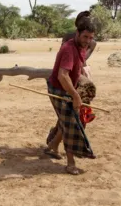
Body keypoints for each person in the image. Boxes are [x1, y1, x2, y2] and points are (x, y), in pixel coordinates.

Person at [45, 17, 96, 175]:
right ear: (77, 33)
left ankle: (53, 145)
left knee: (68, 119)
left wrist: (82, 87)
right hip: (58, 89)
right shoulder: (69, 48)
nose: (88, 41)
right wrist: (76, 96)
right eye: (85, 36)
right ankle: (70, 163)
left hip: (69, 88)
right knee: (71, 123)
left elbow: (77, 68)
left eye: (91, 38)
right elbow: (62, 75)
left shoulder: (81, 47)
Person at [61, 11, 97, 79]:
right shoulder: (67, 37)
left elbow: (82, 59)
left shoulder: (92, 43)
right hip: (66, 69)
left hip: (81, 70)